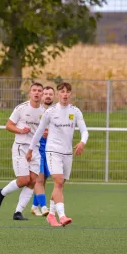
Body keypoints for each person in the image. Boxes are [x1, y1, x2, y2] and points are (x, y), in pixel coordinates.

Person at [26, 82, 88, 227]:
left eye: (68, 92)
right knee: (58, 181)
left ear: (70, 94)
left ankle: (51, 215)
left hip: (67, 153)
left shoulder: (75, 111)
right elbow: (39, 132)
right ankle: (63, 215)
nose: (65, 94)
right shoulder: (50, 112)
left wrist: (82, 142)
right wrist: (30, 150)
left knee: (59, 185)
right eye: (62, 92)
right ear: (58, 94)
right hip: (53, 150)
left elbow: (84, 130)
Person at [0, 82, 45, 221]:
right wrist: (20, 131)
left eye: (39, 91)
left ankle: (18, 212)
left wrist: (46, 133)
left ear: (42, 94)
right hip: (21, 147)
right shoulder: (21, 108)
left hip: (35, 149)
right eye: (34, 90)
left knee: (33, 181)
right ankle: (2, 193)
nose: (37, 93)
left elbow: (45, 131)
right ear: (30, 93)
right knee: (23, 180)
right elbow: (8, 125)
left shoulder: (44, 112)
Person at [30, 86, 55, 216]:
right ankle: (44, 207)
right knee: (38, 179)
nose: (48, 96)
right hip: (37, 148)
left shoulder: (56, 111)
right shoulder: (37, 111)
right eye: (45, 93)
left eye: (50, 94)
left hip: (50, 148)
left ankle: (35, 206)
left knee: (44, 178)